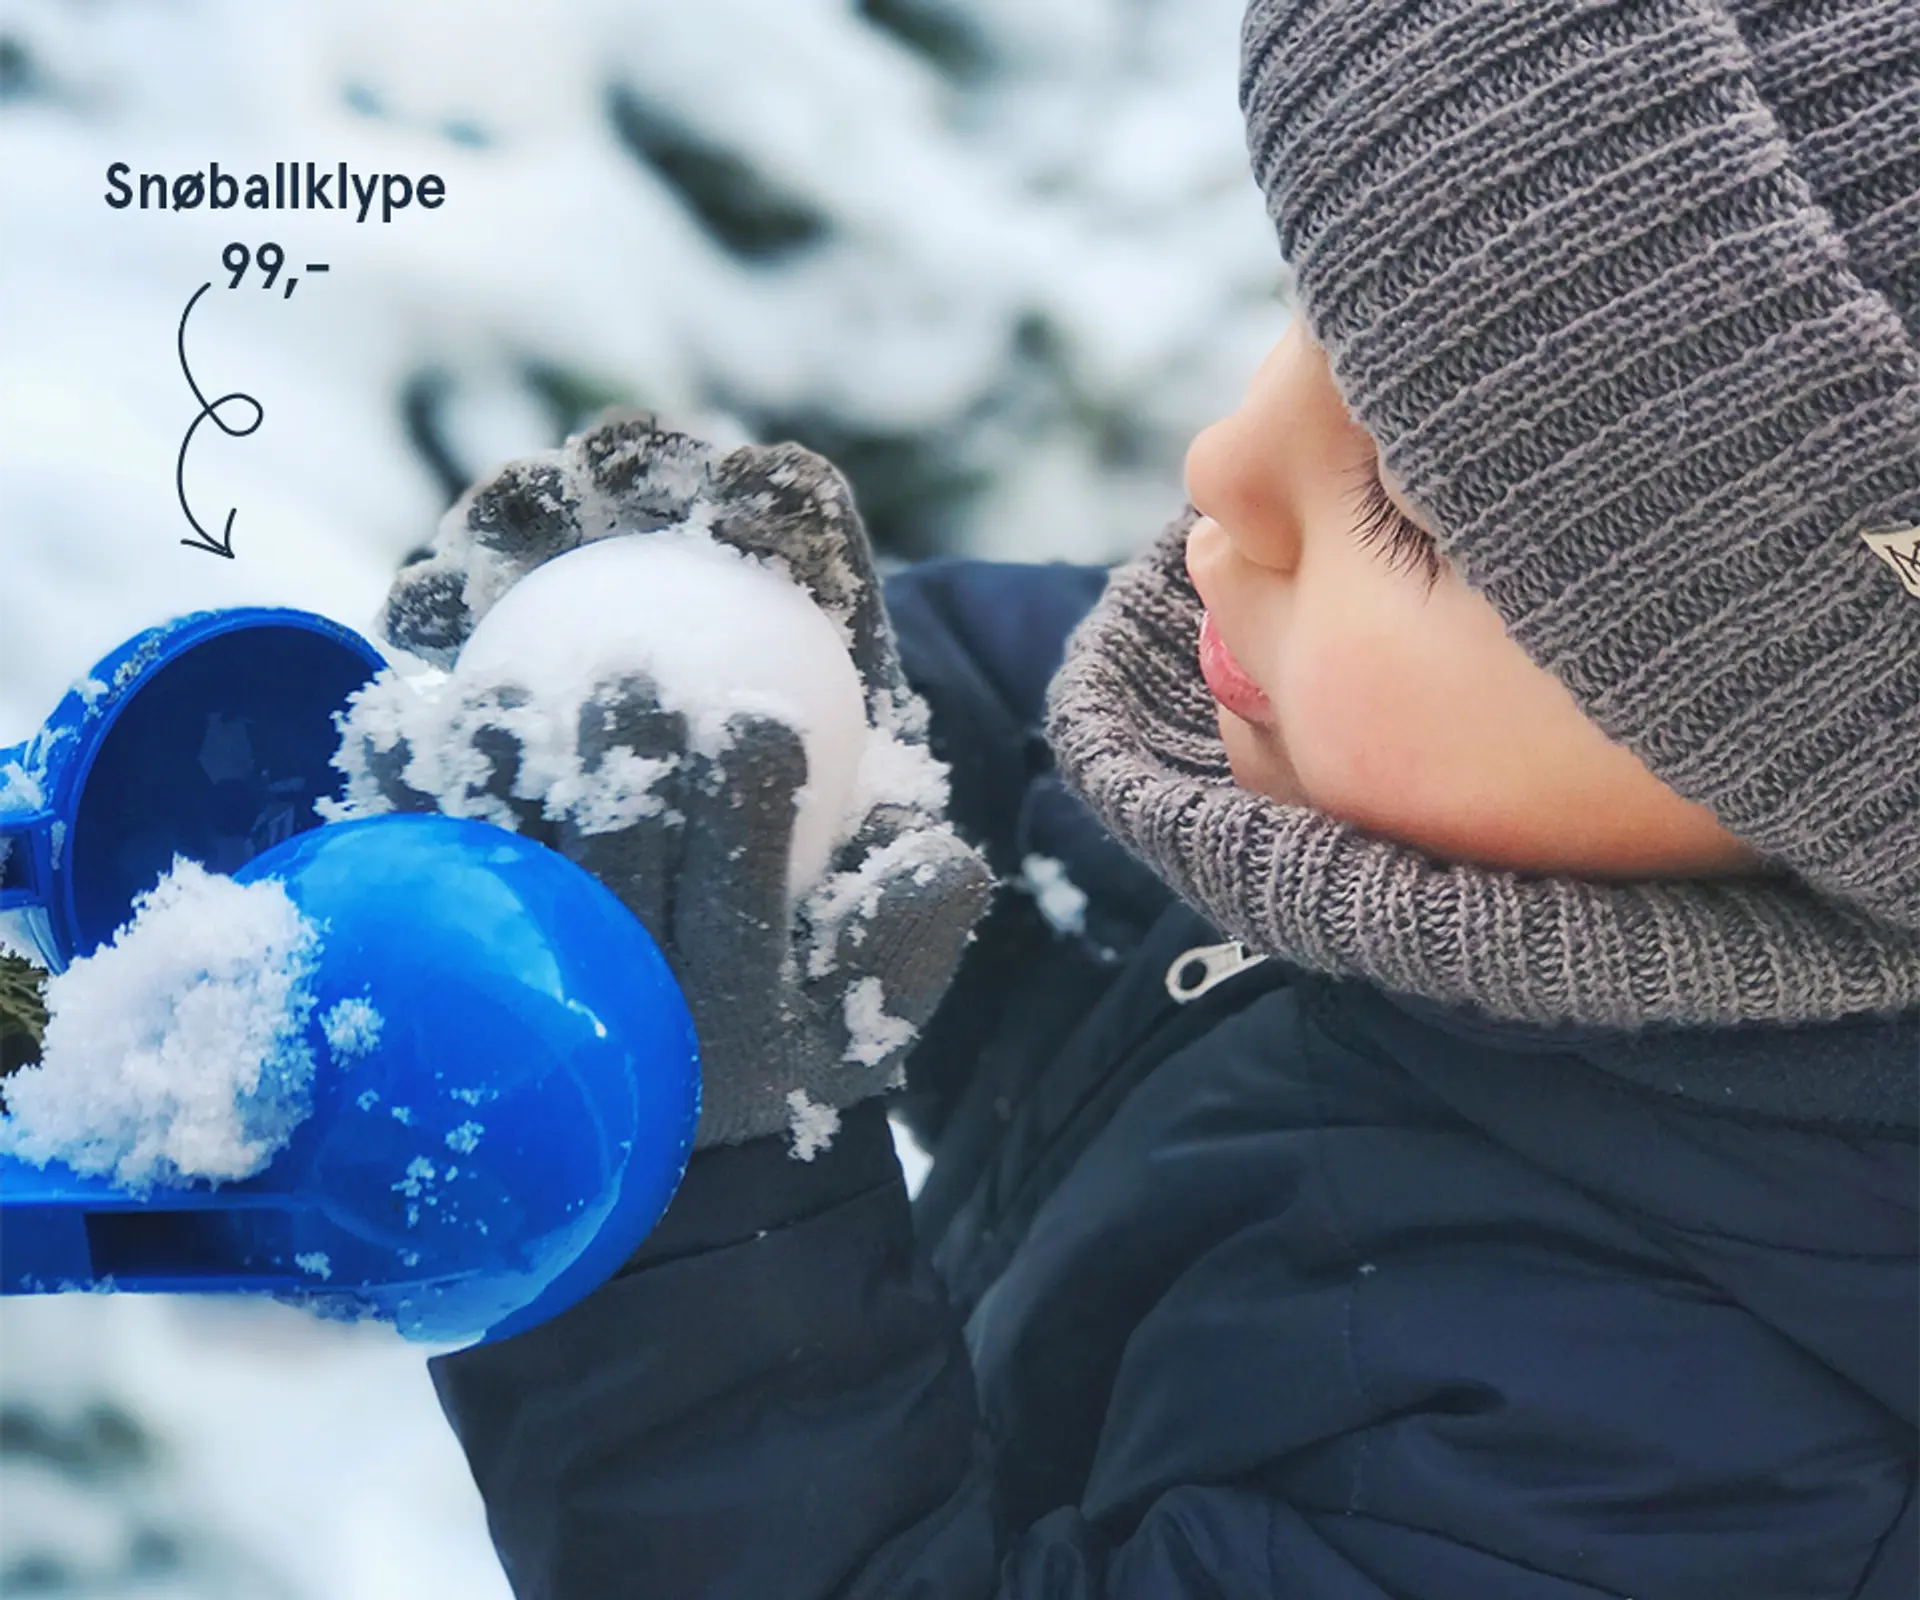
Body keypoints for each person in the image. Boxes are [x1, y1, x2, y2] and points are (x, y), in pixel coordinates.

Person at [374, 1, 1920, 1593]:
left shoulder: (1680, 1467)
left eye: (1402, 502)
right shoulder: (1319, 778)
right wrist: (790, 711)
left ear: (1808, 761)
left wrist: (677, 1190)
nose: (1226, 463)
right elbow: (1024, 781)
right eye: (1315, 324)